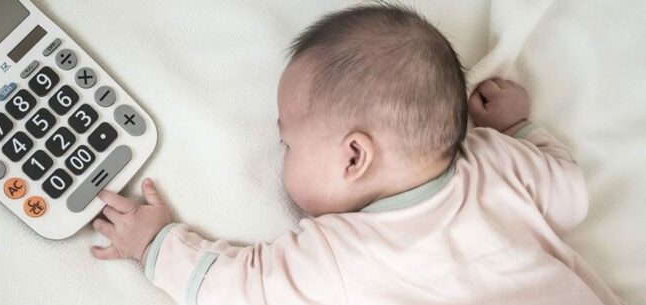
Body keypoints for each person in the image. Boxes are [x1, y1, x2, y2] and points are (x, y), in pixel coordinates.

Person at [90, 4, 624, 304]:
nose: (282, 155)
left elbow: (241, 287)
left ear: (353, 158)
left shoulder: (343, 253)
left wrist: (154, 243)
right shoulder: (495, 159)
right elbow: (571, 194)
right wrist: (518, 126)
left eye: (288, 143)